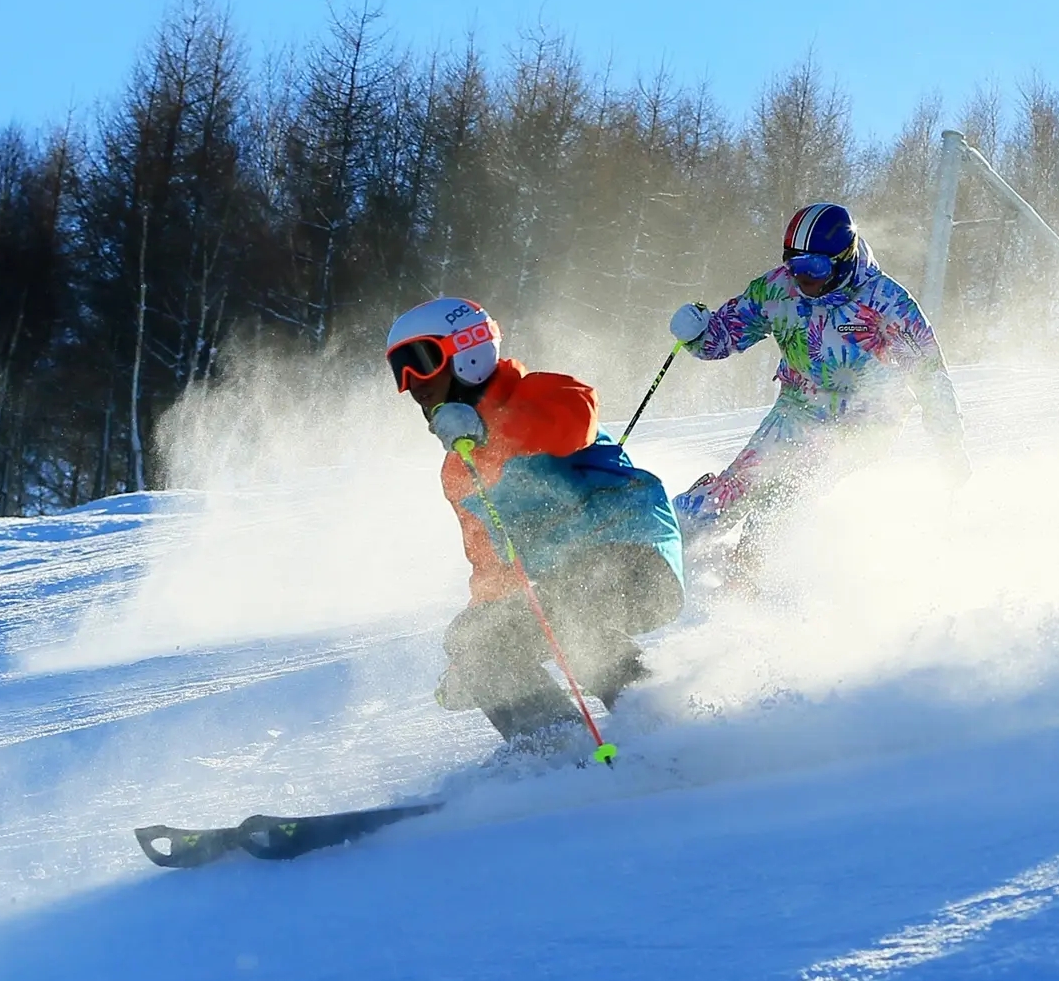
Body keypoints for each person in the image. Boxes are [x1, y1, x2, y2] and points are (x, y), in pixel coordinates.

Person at [385, 297, 683, 742]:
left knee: (569, 606)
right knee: (474, 638)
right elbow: (492, 565)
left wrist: (487, 430)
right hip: (566, 583)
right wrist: (473, 657)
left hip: (633, 554)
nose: (412, 385)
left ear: (468, 352)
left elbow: (573, 422)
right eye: (399, 371)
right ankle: (554, 748)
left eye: (420, 362)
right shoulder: (457, 470)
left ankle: (659, 720)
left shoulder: (536, 393)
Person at [666, 202, 969, 587]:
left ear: (844, 260)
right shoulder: (778, 289)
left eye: (815, 269)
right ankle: (669, 536)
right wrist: (697, 333)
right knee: (741, 483)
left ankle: (746, 572)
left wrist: (950, 446)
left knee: (791, 485)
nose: (802, 279)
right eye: (794, 265)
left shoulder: (889, 305)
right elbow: (725, 336)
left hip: (867, 419)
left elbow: (931, 379)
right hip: (799, 405)